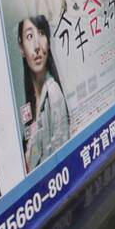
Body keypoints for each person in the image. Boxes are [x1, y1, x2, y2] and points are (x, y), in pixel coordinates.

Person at [16, 15, 69, 171]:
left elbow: (62, 158)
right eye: (30, 36)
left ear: (48, 41)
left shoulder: (53, 94)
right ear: (21, 48)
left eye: (41, 33)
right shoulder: (31, 101)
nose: (37, 45)